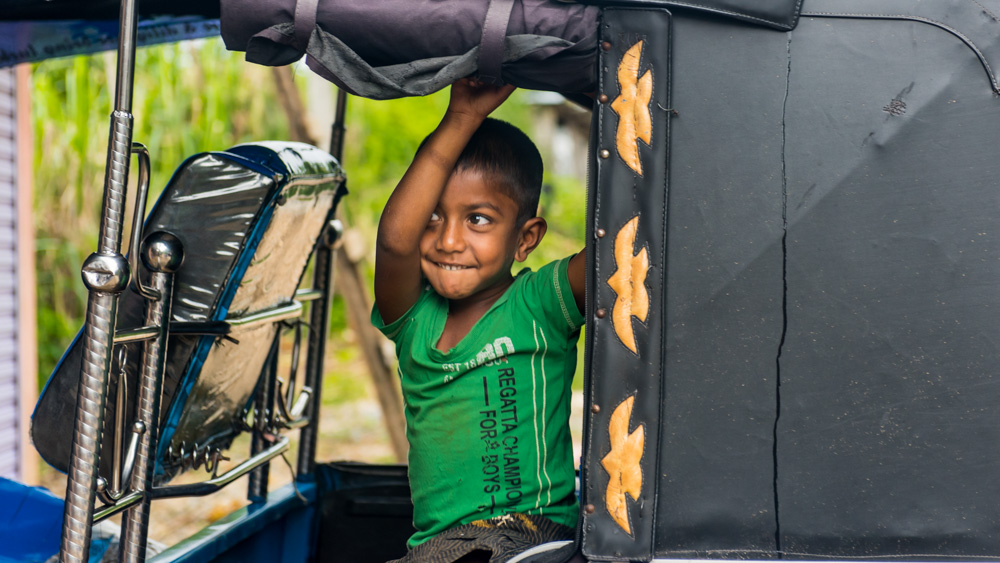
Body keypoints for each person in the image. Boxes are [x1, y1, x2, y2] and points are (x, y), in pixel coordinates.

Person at [371, 77, 586, 563]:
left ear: (526, 239)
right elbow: (395, 243)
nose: (449, 241)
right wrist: (461, 118)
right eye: (432, 216)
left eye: (478, 219)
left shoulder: (541, 304)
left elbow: (623, 249)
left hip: (534, 533)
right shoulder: (412, 319)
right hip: (443, 547)